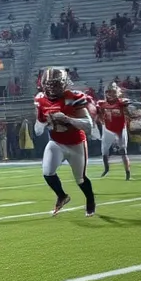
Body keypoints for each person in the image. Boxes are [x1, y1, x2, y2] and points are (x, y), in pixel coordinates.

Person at [35, 67, 99, 216]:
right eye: (49, 84)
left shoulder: (73, 97)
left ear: (63, 84)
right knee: (47, 172)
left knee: (80, 179)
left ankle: (90, 201)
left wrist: (67, 119)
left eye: (55, 84)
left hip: (76, 143)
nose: (52, 88)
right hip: (56, 142)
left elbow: (88, 125)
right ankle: (62, 196)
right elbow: (39, 125)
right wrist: (43, 123)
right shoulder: (40, 99)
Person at [97, 83, 135, 180]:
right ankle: (106, 168)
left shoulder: (121, 103)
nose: (110, 94)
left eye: (112, 92)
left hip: (120, 129)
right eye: (108, 92)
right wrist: (102, 120)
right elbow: (99, 114)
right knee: (104, 151)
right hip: (108, 129)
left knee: (123, 151)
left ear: (117, 92)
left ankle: (128, 173)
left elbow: (130, 114)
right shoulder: (101, 103)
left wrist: (126, 107)